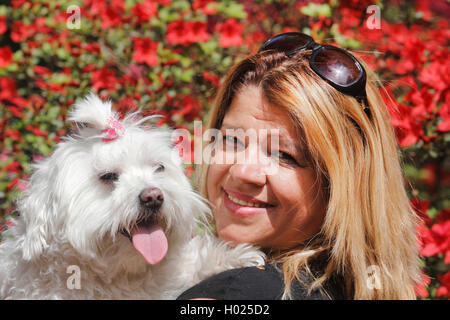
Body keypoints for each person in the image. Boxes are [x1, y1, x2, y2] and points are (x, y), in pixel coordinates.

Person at [177, 32, 421, 300]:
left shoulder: (236, 294)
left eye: (284, 155)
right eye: (232, 140)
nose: (242, 171)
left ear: (339, 186)